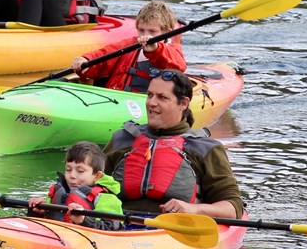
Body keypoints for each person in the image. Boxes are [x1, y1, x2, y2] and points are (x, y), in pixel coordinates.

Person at [104, 70, 244, 220]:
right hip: (117, 226)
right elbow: (88, 183)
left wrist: (194, 209)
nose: (151, 102)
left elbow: (233, 208)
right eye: (150, 95)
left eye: (162, 97)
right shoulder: (122, 139)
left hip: (175, 230)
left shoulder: (205, 149)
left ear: (183, 103)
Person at [71, 0, 186, 92]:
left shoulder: (171, 50)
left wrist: (156, 50)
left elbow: (179, 67)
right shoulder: (130, 44)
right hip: (117, 96)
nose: (145, 35)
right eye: (141, 30)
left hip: (147, 102)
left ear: (167, 32)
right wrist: (86, 60)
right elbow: (105, 54)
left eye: (152, 31)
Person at [27, 141, 126, 231]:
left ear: (97, 175)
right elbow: (44, 223)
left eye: (80, 171)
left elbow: (114, 229)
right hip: (55, 240)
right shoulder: (57, 191)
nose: (72, 176)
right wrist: (39, 211)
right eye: (68, 169)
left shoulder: (107, 198)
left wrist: (84, 220)